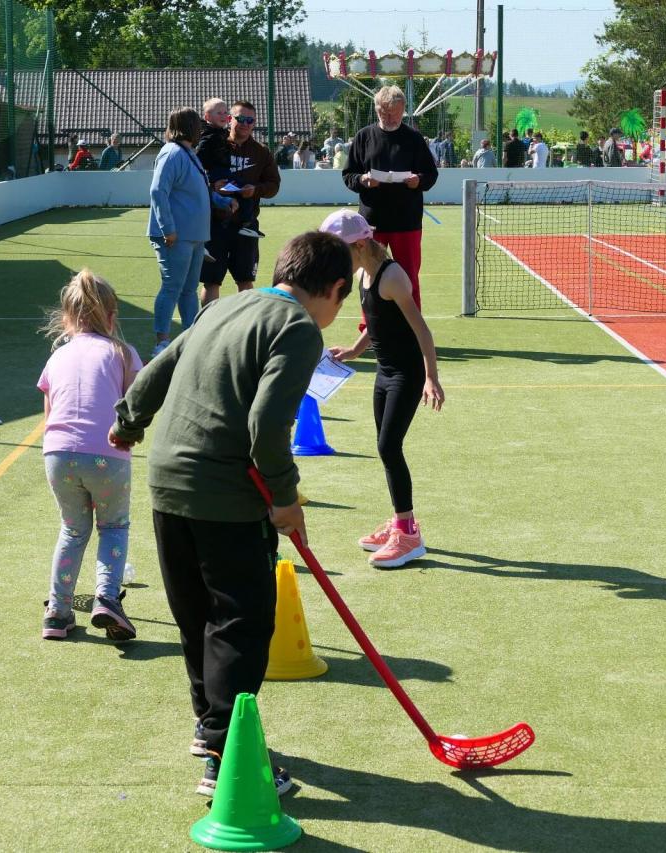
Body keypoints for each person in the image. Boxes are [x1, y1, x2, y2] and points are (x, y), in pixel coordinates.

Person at [110, 230, 354, 797]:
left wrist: (127, 422)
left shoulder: (223, 306)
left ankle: (210, 728)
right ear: (336, 288)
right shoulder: (298, 329)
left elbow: (159, 369)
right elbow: (267, 426)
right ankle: (225, 758)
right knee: (241, 623)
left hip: (168, 482)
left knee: (198, 616)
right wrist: (285, 498)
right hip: (225, 493)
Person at [323, 210, 443, 569]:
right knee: (386, 447)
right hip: (384, 372)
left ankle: (408, 535)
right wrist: (354, 350)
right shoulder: (364, 274)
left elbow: (421, 329)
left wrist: (431, 377)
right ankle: (399, 521)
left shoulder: (392, 277)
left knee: (389, 446)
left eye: (340, 252)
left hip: (406, 374)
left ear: (360, 246)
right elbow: (375, 323)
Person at [37, 269, 144, 642]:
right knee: (113, 526)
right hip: (107, 453)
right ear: (112, 317)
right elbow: (135, 406)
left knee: (72, 529)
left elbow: (49, 414)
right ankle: (107, 598)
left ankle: (57, 612)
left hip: (58, 454)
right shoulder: (122, 353)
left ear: (67, 318)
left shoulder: (57, 357)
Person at [148, 107, 238, 359]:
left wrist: (221, 201)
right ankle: (162, 342)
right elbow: (158, 191)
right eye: (198, 124)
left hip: (195, 235)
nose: (201, 128)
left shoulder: (188, 153)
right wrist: (168, 229)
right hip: (176, 236)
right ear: (189, 127)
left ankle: (190, 336)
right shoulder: (172, 153)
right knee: (172, 287)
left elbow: (199, 190)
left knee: (188, 290)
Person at [341, 85, 438, 311]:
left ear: (403, 109)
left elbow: (431, 175)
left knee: (409, 276)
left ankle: (412, 326)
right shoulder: (364, 136)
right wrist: (362, 179)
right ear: (377, 109)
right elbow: (348, 175)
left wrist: (418, 181)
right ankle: (369, 324)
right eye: (384, 112)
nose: (390, 117)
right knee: (369, 276)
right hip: (371, 222)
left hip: (407, 222)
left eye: (395, 112)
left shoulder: (414, 138)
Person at [201, 100, 281, 305]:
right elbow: (193, 176)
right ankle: (207, 322)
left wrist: (255, 190)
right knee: (211, 281)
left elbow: (274, 185)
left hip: (246, 227)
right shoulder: (213, 143)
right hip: (214, 224)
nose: (245, 124)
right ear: (230, 119)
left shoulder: (261, 152)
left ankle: (244, 322)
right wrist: (212, 186)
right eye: (241, 118)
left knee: (245, 280)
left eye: (250, 120)